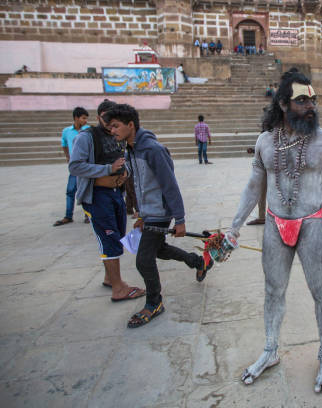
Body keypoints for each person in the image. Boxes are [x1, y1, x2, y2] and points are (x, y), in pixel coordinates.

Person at [227, 68, 322, 393]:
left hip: (312, 223)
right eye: (302, 100)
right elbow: (253, 186)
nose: (311, 106)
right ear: (284, 104)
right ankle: (270, 350)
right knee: (273, 292)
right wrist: (233, 228)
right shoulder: (264, 142)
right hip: (275, 223)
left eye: (313, 99)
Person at [104, 104, 210, 328]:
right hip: (149, 212)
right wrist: (140, 213)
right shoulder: (130, 150)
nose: (112, 130)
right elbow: (138, 184)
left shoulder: (152, 149)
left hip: (160, 212)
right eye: (110, 127)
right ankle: (198, 261)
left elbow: (169, 184)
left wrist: (179, 219)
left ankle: (155, 302)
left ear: (130, 125)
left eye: (115, 126)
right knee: (159, 250)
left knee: (143, 260)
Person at [69, 99, 145, 301]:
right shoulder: (87, 137)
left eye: (114, 122)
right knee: (109, 238)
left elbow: (122, 159)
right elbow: (75, 166)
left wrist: (124, 173)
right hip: (97, 196)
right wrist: (107, 170)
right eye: (107, 120)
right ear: (98, 117)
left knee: (118, 234)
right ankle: (118, 288)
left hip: (115, 193)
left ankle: (110, 277)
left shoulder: (115, 135)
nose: (111, 126)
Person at [54, 107, 91, 226]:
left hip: (86, 165)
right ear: (76, 118)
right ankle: (68, 216)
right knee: (70, 190)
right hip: (75, 166)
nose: (85, 121)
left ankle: (88, 215)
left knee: (86, 189)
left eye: (86, 118)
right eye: (83, 118)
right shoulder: (67, 131)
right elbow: (64, 144)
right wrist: (68, 157)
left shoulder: (88, 130)